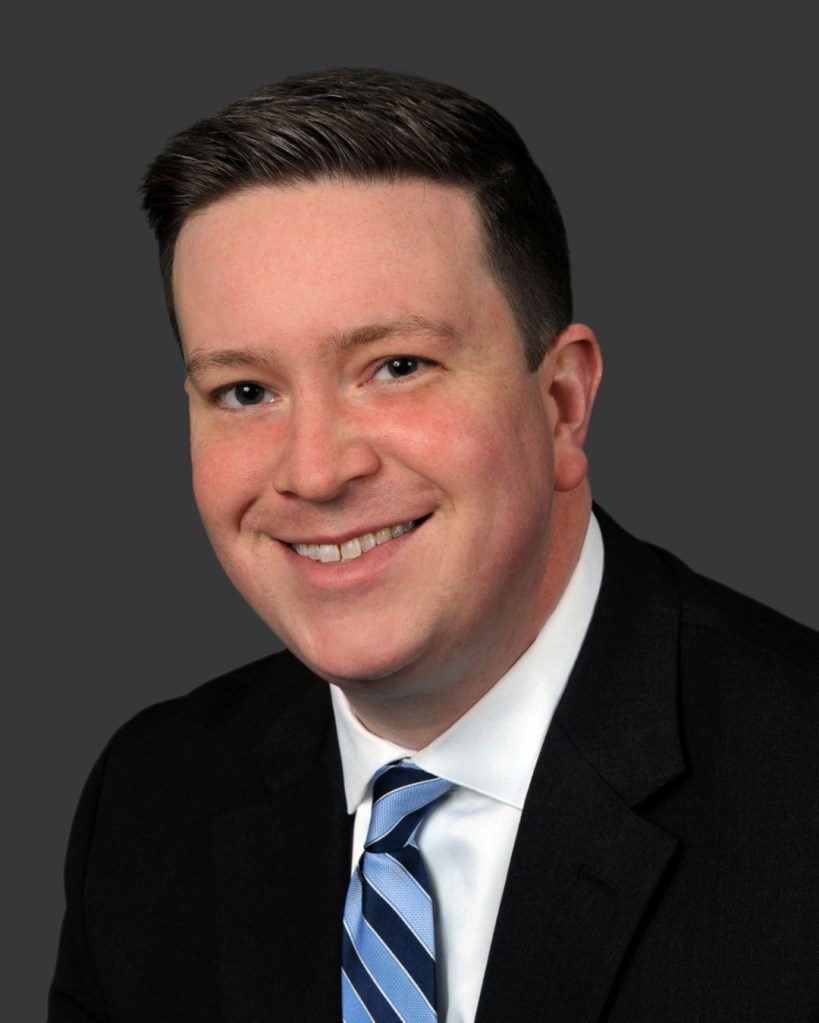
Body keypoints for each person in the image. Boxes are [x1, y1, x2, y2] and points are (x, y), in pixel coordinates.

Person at [49, 68, 816, 1023]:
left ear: (561, 404)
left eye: (396, 367)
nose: (316, 471)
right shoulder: (151, 801)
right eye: (245, 391)